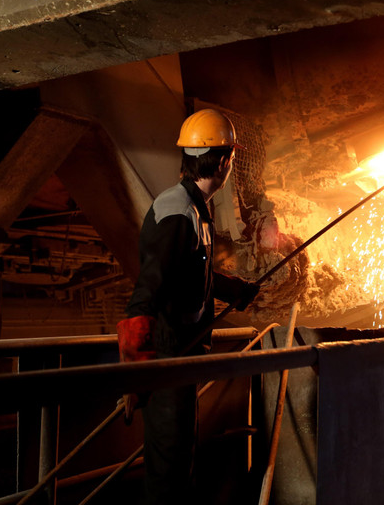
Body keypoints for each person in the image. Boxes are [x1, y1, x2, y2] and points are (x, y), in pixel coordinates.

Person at [116, 108, 260, 504]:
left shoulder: (195, 207)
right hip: (167, 361)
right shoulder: (179, 213)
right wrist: (136, 375)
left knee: (180, 462)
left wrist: (234, 290)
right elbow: (145, 295)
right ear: (224, 161)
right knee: (170, 472)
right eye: (232, 157)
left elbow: (191, 272)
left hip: (182, 357)